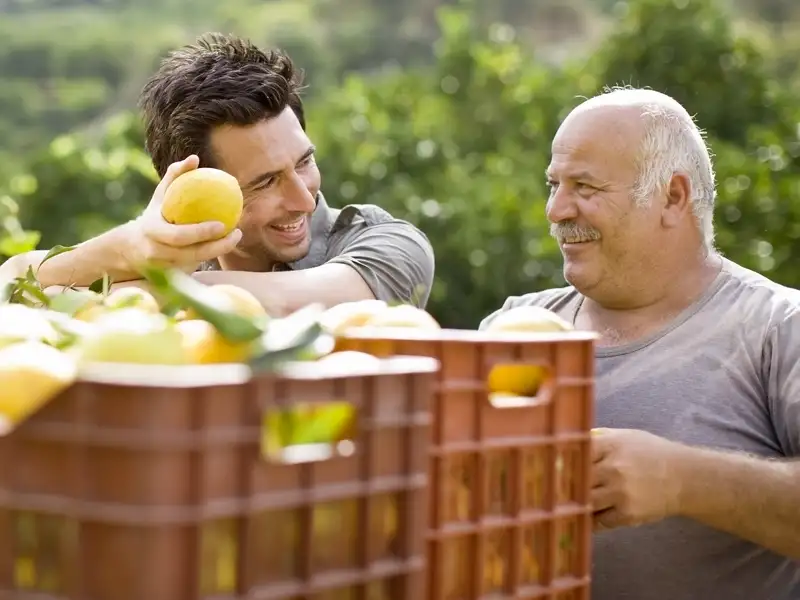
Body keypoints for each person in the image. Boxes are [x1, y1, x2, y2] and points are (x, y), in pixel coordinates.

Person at [480, 87, 800, 600]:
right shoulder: (515, 326)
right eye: (554, 184)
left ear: (672, 197)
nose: (556, 210)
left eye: (585, 186)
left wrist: (681, 479)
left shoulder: (779, 327)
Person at [0, 34, 435, 315]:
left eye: (304, 162)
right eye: (265, 182)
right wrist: (131, 246)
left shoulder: (388, 247)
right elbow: (11, 281)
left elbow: (277, 305)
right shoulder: (164, 254)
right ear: (190, 185)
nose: (304, 199)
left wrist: (91, 293)